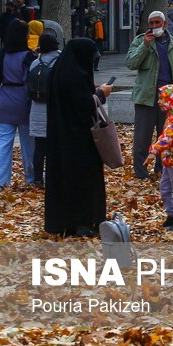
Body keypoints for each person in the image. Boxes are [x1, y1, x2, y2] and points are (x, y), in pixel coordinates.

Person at [44, 38, 113, 236]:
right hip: (80, 139)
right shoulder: (76, 76)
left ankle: (65, 222)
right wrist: (101, 94)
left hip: (60, 138)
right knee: (84, 180)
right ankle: (84, 221)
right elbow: (83, 105)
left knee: (64, 178)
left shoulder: (60, 71)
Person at [125, 11, 173, 179]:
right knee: (142, 137)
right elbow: (131, 63)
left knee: (165, 134)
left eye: (157, 22)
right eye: (151, 23)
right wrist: (144, 45)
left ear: (164, 24)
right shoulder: (140, 40)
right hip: (146, 94)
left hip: (169, 96)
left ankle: (161, 169)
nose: (154, 26)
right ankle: (141, 172)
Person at [0, 20, 36, 191]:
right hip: (23, 100)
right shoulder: (28, 56)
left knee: (2, 141)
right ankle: (31, 176)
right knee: (28, 143)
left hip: (5, 98)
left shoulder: (3, 53)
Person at [144, 84, 173, 231]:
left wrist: (153, 151)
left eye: (162, 99)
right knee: (165, 188)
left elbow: (167, 138)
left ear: (171, 100)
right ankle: (172, 214)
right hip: (170, 160)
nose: (158, 101)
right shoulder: (171, 116)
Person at [28, 32, 60, 185]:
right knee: (56, 146)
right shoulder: (59, 61)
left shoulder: (35, 63)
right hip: (55, 109)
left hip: (37, 109)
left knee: (39, 147)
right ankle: (55, 177)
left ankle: (37, 178)